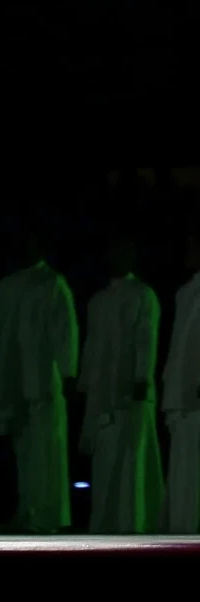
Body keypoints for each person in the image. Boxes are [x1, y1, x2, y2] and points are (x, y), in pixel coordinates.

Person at [0, 229, 78, 533]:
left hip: (43, 380)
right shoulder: (5, 287)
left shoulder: (52, 283)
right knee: (25, 451)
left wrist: (68, 372)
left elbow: (64, 331)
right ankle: (28, 511)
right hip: (13, 380)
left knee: (46, 449)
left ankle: (46, 515)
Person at [76, 233, 164, 532]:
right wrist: (84, 383)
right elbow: (91, 345)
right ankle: (106, 522)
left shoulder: (143, 294)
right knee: (105, 459)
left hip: (130, 393)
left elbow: (146, 338)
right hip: (103, 394)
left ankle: (133, 522)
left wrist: (142, 377)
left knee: (130, 458)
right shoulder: (99, 300)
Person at [160, 215, 200, 533]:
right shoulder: (187, 292)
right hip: (182, 398)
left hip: (195, 397)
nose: (188, 251)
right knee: (183, 474)